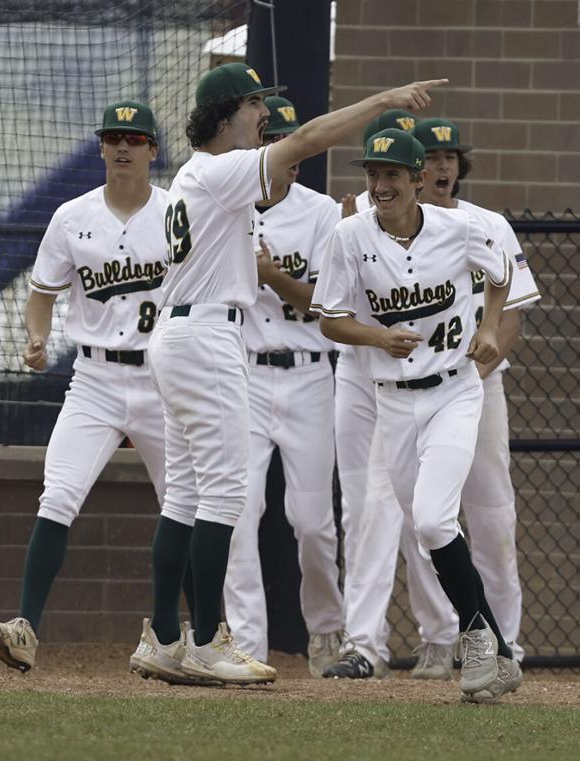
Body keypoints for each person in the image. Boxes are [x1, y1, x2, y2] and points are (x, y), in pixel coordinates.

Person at [128, 62, 444, 687]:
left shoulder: (200, 175)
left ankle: (166, 637)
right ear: (224, 113)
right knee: (222, 495)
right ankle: (210, 640)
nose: (263, 116)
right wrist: (382, 98)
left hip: (181, 331)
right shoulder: (220, 169)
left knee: (190, 495)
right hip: (209, 335)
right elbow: (307, 141)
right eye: (253, 106)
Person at [312, 128, 521, 702]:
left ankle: (477, 639)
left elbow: (501, 272)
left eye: (392, 176)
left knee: (433, 520)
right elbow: (330, 319)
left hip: (454, 392)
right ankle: (500, 654)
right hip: (392, 402)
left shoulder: (458, 228)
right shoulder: (349, 236)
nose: (381, 185)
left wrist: (486, 326)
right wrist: (379, 336)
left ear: (418, 180)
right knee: (426, 530)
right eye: (374, 175)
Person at [0, 101, 170, 673]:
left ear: (154, 149)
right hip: (95, 379)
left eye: (135, 138)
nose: (123, 148)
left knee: (185, 506)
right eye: (113, 138)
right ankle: (25, 628)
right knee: (57, 495)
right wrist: (36, 339)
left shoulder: (178, 211)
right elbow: (42, 294)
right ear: (102, 147)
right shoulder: (71, 215)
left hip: (163, 377)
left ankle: (172, 636)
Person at [219, 96, 344, 676]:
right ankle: (246, 645)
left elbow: (325, 305)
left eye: (298, 146)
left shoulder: (321, 213)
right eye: (282, 145)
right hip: (243, 371)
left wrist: (270, 274)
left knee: (313, 523)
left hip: (309, 374)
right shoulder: (226, 202)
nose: (293, 158)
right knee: (240, 514)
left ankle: (326, 632)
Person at [413, 116, 541, 663]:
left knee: (491, 512)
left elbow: (511, 314)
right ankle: (444, 639)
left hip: (477, 387)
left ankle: (505, 638)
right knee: (424, 516)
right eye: (430, 156)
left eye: (449, 156)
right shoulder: (386, 228)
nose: (442, 165)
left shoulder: (488, 223)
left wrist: (472, 379)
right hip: (413, 390)